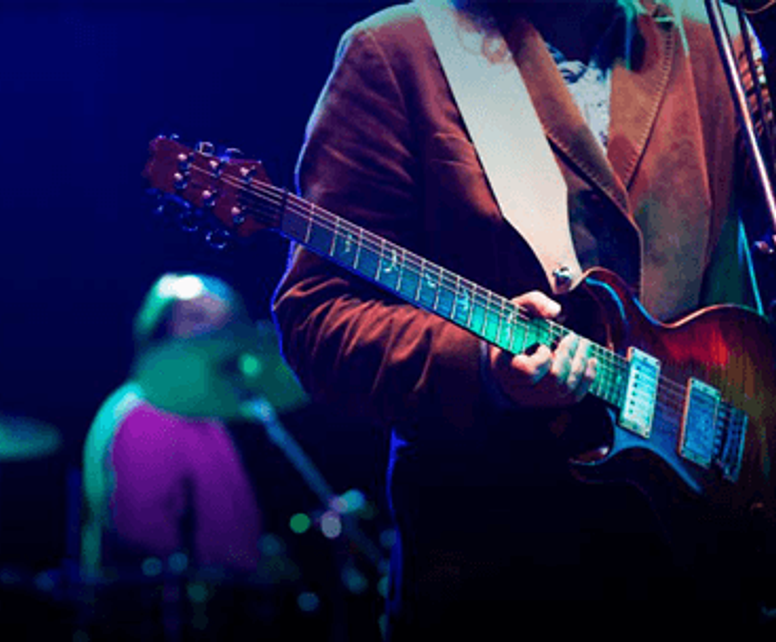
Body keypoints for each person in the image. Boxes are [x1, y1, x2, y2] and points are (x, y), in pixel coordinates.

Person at [272, 0, 773, 638]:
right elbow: (319, 317)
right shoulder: (401, 51)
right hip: (502, 562)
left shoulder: (714, 33)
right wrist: (481, 367)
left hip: (707, 554)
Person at [81, 272, 262, 584]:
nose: (212, 335)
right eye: (195, 318)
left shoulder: (205, 417)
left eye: (224, 325)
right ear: (160, 329)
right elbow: (142, 535)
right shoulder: (148, 411)